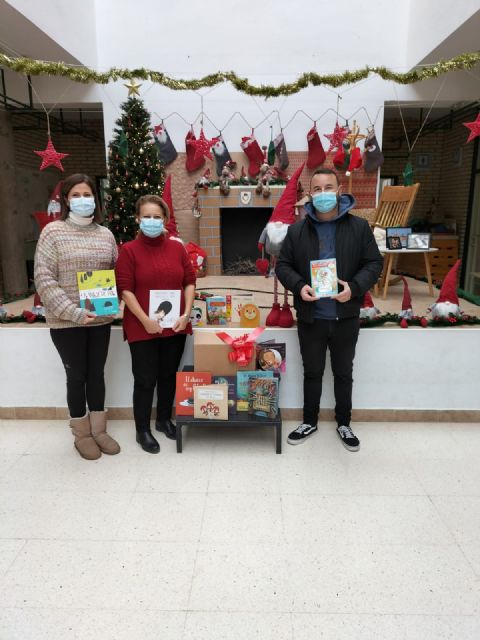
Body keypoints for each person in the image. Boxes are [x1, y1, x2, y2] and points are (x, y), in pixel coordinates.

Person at [276, 168, 383, 451]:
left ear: (339, 191)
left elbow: (374, 264)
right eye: (317, 189)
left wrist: (355, 288)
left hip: (345, 316)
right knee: (312, 372)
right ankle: (308, 421)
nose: (323, 193)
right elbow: (282, 265)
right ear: (310, 194)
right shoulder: (297, 230)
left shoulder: (359, 228)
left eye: (329, 187)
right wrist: (299, 286)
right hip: (312, 316)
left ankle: (344, 423)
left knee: (343, 372)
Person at [34, 173, 120, 460]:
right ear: (66, 200)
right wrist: (74, 312)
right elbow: (44, 279)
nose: (83, 200)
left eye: (87, 195)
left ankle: (99, 429)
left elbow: (116, 273)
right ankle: (81, 434)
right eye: (76, 195)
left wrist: (115, 302)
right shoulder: (53, 233)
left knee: (97, 374)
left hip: (100, 321)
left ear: (95, 199)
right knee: (77, 376)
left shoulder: (106, 234)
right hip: (66, 322)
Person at [115, 194, 196, 454]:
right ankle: (142, 430)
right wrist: (146, 321)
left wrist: (186, 313)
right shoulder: (128, 251)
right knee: (145, 379)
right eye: (146, 216)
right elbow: (125, 290)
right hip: (142, 326)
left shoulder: (177, 248)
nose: (151, 221)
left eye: (157, 217)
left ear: (165, 220)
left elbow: (190, 281)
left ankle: (163, 420)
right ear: (138, 219)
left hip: (175, 325)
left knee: (168, 375)